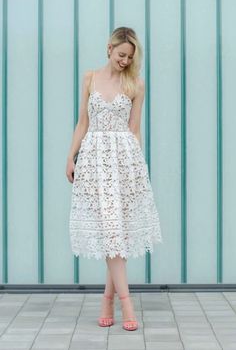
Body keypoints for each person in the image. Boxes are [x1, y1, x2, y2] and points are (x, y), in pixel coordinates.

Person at [66, 26, 163, 331]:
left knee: (116, 231)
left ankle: (108, 299)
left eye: (130, 57)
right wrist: (71, 156)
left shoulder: (136, 84)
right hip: (94, 161)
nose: (124, 61)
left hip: (124, 160)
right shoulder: (90, 78)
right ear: (109, 48)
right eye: (121, 54)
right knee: (110, 230)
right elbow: (83, 121)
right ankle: (126, 303)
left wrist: (137, 169)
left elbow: (135, 129)